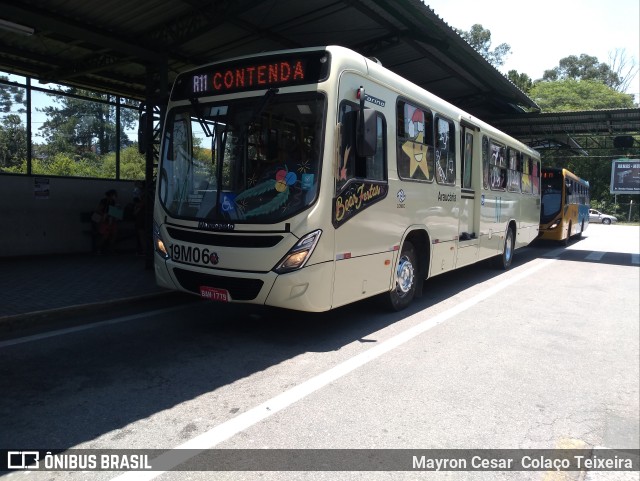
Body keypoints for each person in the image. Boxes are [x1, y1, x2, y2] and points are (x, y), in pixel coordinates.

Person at [94, 189, 119, 254]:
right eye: (114, 195)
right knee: (106, 234)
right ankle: (99, 248)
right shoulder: (104, 201)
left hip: (109, 220)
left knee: (114, 233)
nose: (115, 196)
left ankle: (110, 248)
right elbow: (98, 210)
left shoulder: (113, 202)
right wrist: (105, 215)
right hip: (103, 221)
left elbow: (113, 212)